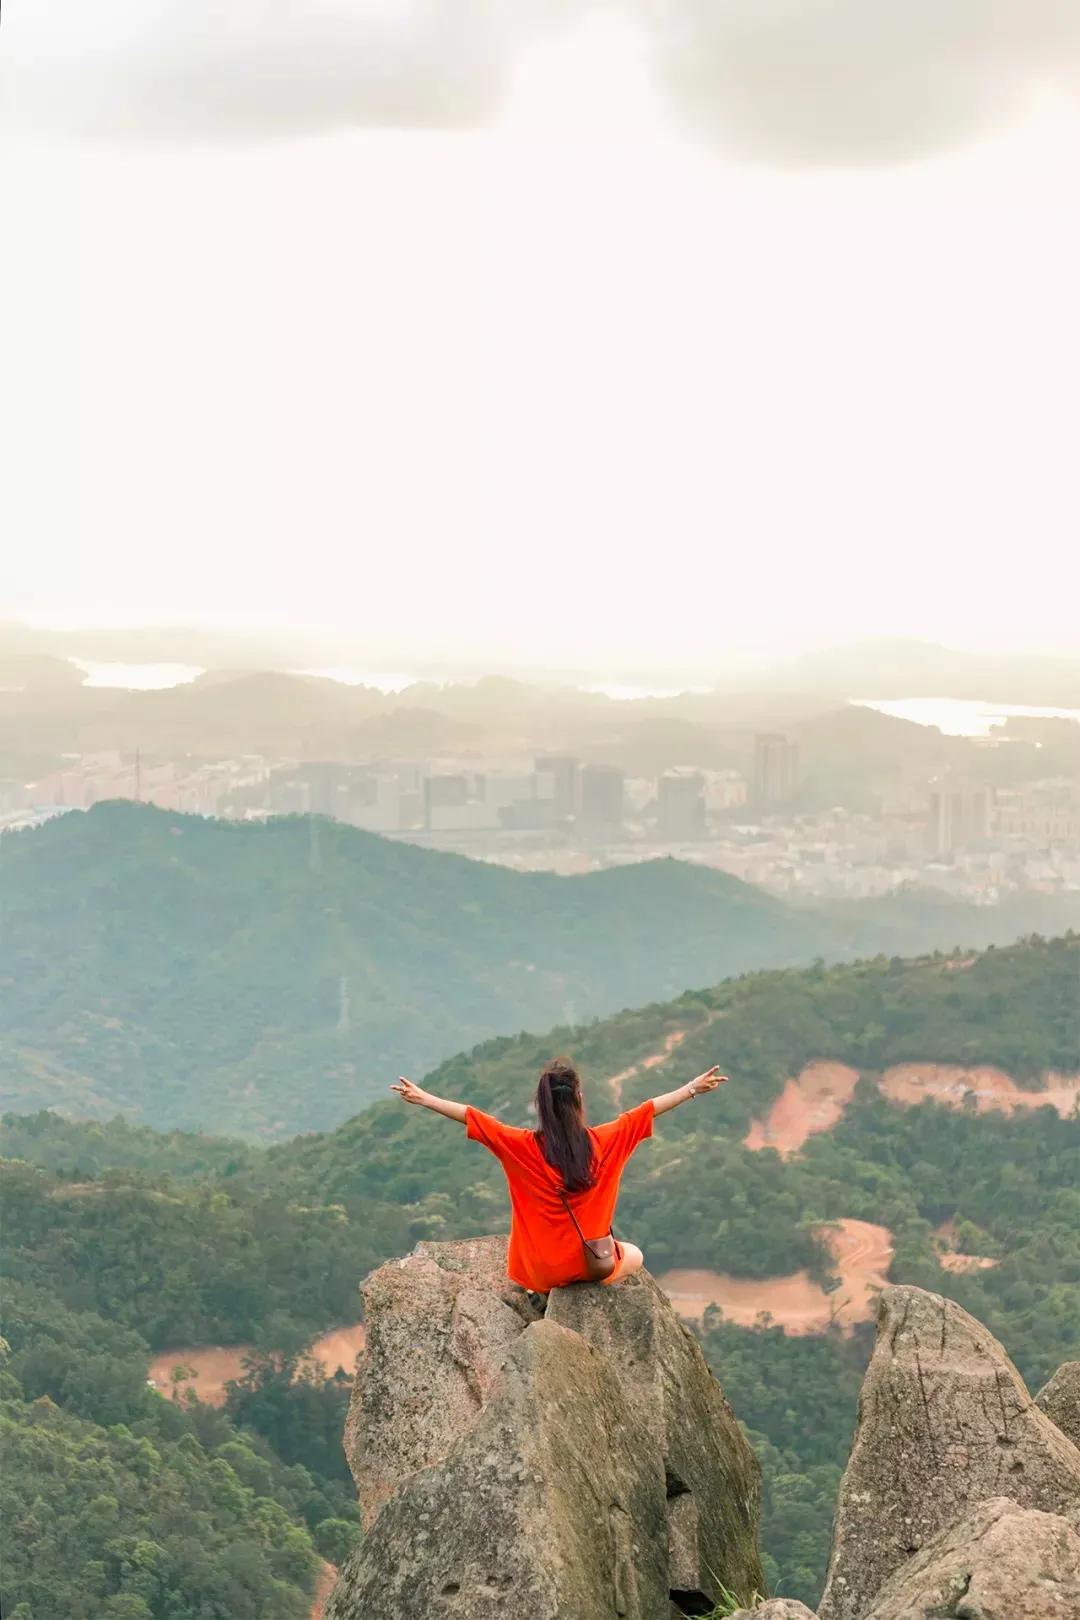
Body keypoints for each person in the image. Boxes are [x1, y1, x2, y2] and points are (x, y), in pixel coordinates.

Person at [390, 1054, 727, 1297]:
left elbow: (473, 1117)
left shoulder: (520, 1147)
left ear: (542, 1105)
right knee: (635, 1255)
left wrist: (424, 1098)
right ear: (579, 1099)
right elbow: (648, 1109)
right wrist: (693, 1088)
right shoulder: (606, 1141)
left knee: (553, 1271)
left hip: (538, 1273)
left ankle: (548, 1297)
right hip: (590, 1265)